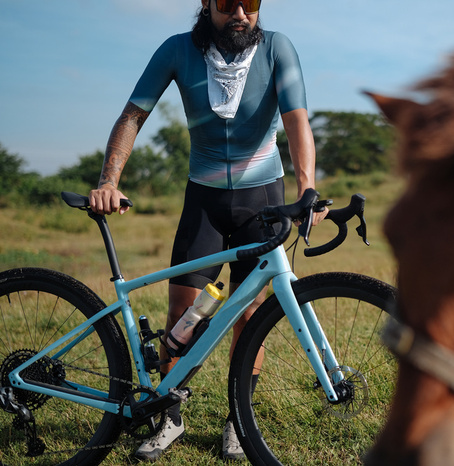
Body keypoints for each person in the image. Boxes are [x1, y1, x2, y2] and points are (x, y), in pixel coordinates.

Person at [89, 0, 326, 461]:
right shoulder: (177, 50)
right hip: (205, 201)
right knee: (183, 314)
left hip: (263, 198)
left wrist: (308, 188)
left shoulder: (278, 48)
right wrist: (108, 181)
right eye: (226, 2)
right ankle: (171, 416)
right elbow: (134, 114)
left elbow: (298, 120)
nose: (240, 11)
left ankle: (238, 419)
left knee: (249, 314)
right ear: (205, 3)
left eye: (251, 2)